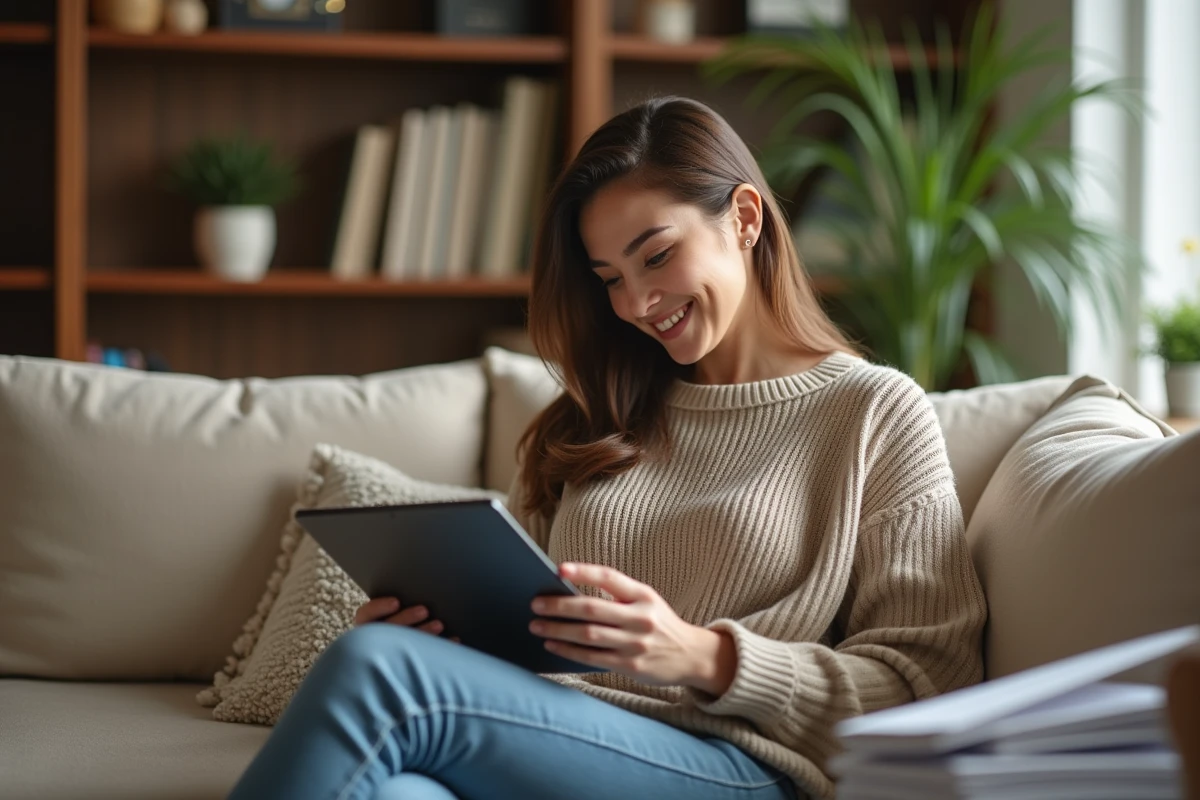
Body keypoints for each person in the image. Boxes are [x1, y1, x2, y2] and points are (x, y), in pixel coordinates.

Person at [227, 96, 987, 800]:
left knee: (378, 674)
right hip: (565, 745)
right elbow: (537, 640)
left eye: (655, 257)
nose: (634, 304)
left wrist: (706, 658)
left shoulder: (874, 412)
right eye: (610, 279)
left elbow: (932, 688)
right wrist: (442, 639)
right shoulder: (601, 413)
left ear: (745, 219)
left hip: (738, 765)